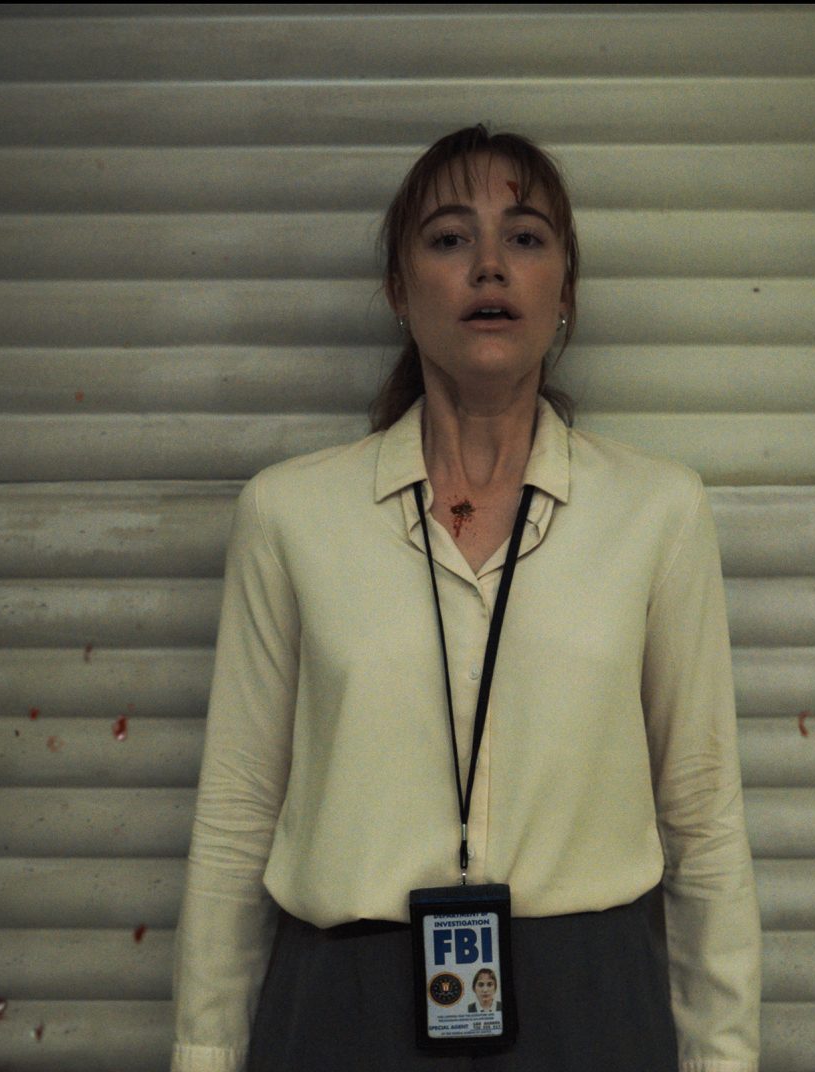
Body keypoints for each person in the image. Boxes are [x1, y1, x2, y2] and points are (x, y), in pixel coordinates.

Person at [170, 125, 760, 1072]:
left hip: (591, 1005)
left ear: (565, 289)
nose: (490, 265)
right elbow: (238, 813)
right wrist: (204, 1054)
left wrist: (723, 1058)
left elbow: (702, 816)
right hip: (343, 1010)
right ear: (399, 290)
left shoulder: (657, 510)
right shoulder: (291, 515)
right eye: (449, 238)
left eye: (525, 238)